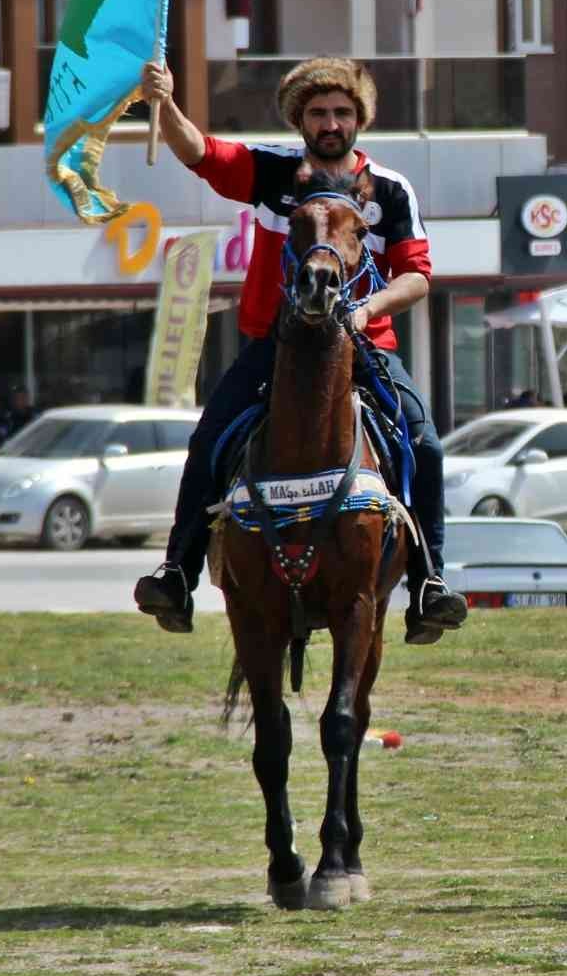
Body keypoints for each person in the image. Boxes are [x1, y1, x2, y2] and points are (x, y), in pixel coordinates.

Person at [131, 56, 469, 644]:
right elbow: (199, 153)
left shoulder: (391, 189)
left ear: (359, 118)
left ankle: (428, 584)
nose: (330, 123)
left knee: (425, 444)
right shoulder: (272, 171)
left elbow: (417, 276)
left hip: (363, 345)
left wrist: (366, 311)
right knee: (209, 440)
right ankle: (177, 574)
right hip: (276, 345)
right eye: (317, 113)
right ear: (299, 119)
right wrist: (165, 102)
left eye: (341, 112)